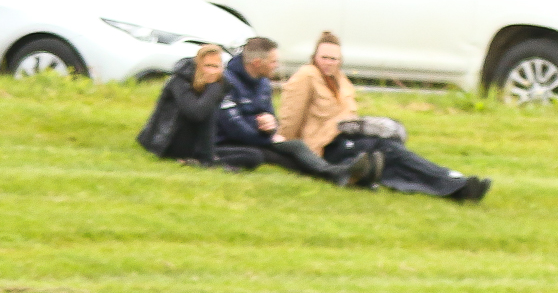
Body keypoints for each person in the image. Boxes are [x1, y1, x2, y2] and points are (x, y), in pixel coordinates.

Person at [280, 32, 491, 202]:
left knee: (393, 152)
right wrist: (296, 155)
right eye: (324, 57)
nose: (329, 62)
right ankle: (454, 185)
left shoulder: (340, 79)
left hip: (350, 137)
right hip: (329, 147)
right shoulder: (305, 77)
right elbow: (290, 119)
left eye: (334, 59)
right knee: (391, 153)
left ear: (340, 60)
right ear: (314, 57)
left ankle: (455, 183)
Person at [217, 36, 376, 187]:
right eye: (273, 62)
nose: (276, 65)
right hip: (227, 143)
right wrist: (267, 137)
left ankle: (342, 175)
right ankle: (341, 174)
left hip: (258, 138)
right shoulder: (226, 82)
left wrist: (271, 126)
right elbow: (234, 128)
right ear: (257, 63)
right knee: (262, 156)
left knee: (295, 147)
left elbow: (272, 117)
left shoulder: (263, 83)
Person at [136, 44, 260, 169]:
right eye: (207, 66)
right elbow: (196, 113)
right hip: (169, 142)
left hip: (200, 145)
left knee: (254, 157)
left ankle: (207, 161)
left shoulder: (222, 83)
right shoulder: (180, 80)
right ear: (198, 66)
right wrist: (214, 87)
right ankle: (208, 162)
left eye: (216, 66)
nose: (211, 71)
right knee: (207, 108)